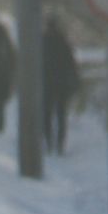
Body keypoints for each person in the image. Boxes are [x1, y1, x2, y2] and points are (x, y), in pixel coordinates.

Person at [42, 15, 80, 154]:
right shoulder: (63, 42)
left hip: (47, 84)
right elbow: (71, 64)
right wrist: (74, 81)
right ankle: (60, 144)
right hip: (61, 84)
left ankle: (48, 142)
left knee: (47, 114)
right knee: (61, 114)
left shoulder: (42, 42)